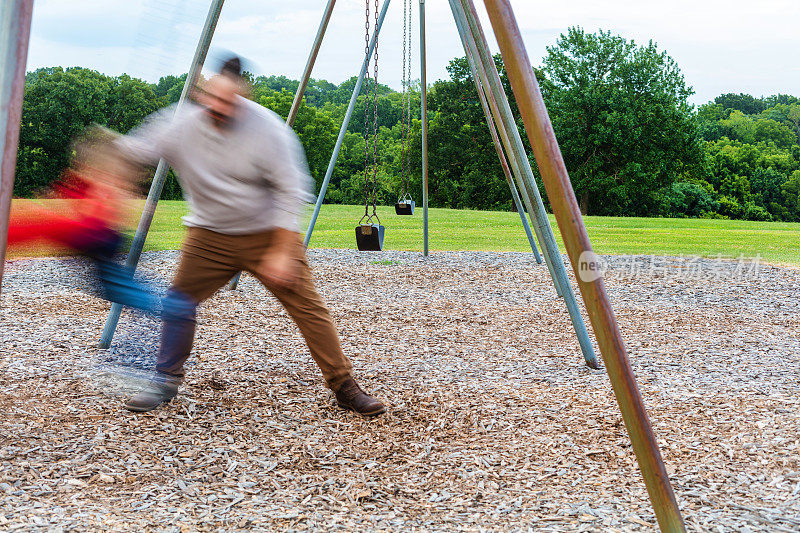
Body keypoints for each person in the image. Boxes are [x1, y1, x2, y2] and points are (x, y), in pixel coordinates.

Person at [120, 57, 385, 416]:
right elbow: (135, 153)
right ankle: (164, 381)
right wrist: (109, 171)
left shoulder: (267, 130)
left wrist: (280, 250)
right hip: (209, 235)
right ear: (202, 93)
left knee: (308, 308)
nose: (221, 108)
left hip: (267, 234)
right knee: (177, 302)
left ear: (243, 97)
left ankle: (345, 386)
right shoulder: (179, 124)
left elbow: (293, 190)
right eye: (214, 99)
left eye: (231, 102)